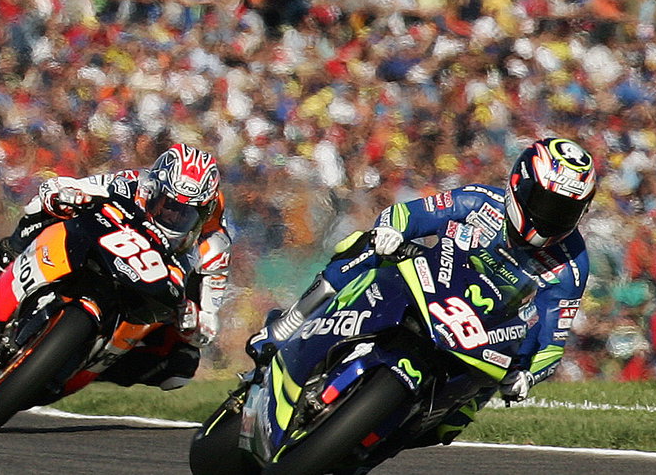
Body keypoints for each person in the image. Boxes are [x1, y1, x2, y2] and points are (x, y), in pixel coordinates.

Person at [246, 136, 596, 449]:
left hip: (484, 335)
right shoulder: (478, 201)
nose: (552, 217)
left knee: (458, 417)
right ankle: (289, 325)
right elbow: (407, 215)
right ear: (519, 185)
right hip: (427, 287)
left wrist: (527, 375)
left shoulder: (571, 263)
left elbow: (551, 341)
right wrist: (391, 231)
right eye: (546, 203)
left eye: (566, 210)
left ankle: (381, 441)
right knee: (364, 246)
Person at [0, 143, 230, 390]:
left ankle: (80, 365)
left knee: (181, 368)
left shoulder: (214, 244)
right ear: (154, 188)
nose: (171, 215)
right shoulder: (133, 182)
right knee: (41, 211)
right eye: (166, 204)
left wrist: (192, 319)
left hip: (155, 279)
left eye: (184, 214)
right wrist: (64, 195)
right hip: (111, 242)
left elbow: (208, 324)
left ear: (202, 214)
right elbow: (65, 187)